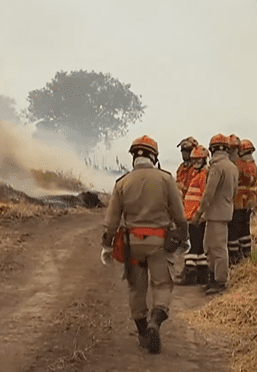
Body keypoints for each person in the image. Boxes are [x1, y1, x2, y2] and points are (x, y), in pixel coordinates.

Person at [101, 135, 188, 354]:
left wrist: (107, 245)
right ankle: (155, 323)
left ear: (133, 157)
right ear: (154, 157)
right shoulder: (166, 179)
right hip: (160, 243)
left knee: (136, 288)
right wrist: (183, 237)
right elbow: (180, 216)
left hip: (133, 245)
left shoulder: (122, 183)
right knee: (162, 285)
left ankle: (142, 332)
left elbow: (111, 221)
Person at [194, 134, 238, 295]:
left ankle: (219, 281)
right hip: (224, 212)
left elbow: (209, 193)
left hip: (215, 214)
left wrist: (199, 213)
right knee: (213, 247)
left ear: (212, 149)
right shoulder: (232, 167)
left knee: (216, 249)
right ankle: (214, 279)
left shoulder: (217, 167)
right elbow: (235, 192)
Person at [177, 145, 210, 286]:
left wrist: (198, 214)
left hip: (195, 216)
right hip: (192, 215)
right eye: (194, 160)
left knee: (192, 248)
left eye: (198, 160)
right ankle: (202, 275)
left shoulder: (203, 176)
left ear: (204, 160)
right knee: (199, 247)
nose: (195, 163)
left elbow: (204, 196)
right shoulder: (197, 174)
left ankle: (190, 275)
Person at [235, 139, 257, 258]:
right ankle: (247, 251)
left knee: (237, 228)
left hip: (239, 200)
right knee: (246, 227)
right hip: (250, 200)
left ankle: (238, 254)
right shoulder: (253, 165)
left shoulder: (239, 164)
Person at [226, 134, 243, 263]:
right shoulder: (239, 164)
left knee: (234, 231)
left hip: (234, 204)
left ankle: (234, 256)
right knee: (238, 231)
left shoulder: (232, 166)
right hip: (238, 203)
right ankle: (238, 254)